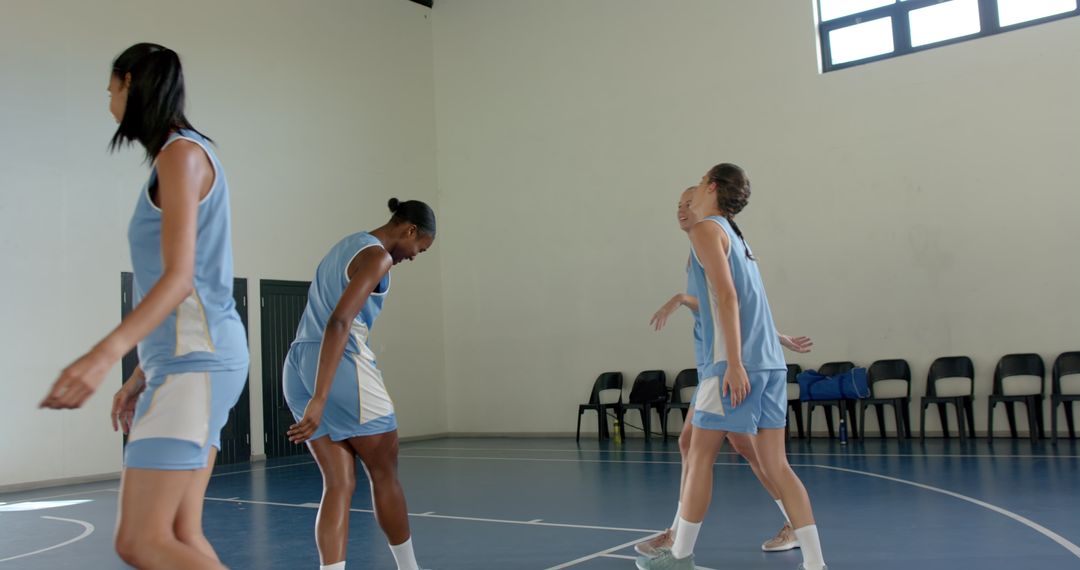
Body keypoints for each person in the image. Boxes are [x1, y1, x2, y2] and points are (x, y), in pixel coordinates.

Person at [41, 43, 249, 569]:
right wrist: (140, 375)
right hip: (193, 364)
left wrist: (103, 355)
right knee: (180, 532)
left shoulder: (181, 155)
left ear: (131, 83)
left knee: (139, 540)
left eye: (110, 90)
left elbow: (179, 280)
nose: (109, 102)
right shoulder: (180, 154)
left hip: (196, 367)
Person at [637, 165, 826, 570]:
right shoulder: (738, 237)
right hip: (768, 366)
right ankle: (815, 563)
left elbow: (728, 297)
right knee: (769, 462)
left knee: (700, 452)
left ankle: (680, 554)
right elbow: (744, 298)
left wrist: (735, 364)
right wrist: (778, 340)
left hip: (732, 365)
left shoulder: (709, 230)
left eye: (692, 195)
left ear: (711, 187)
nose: (684, 206)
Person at [283, 199, 435, 570]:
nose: (415, 256)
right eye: (420, 247)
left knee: (337, 484)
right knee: (384, 474)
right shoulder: (378, 257)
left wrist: (315, 394)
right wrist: (321, 396)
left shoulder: (345, 245)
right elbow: (339, 322)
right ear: (409, 230)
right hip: (338, 367)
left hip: (297, 363)